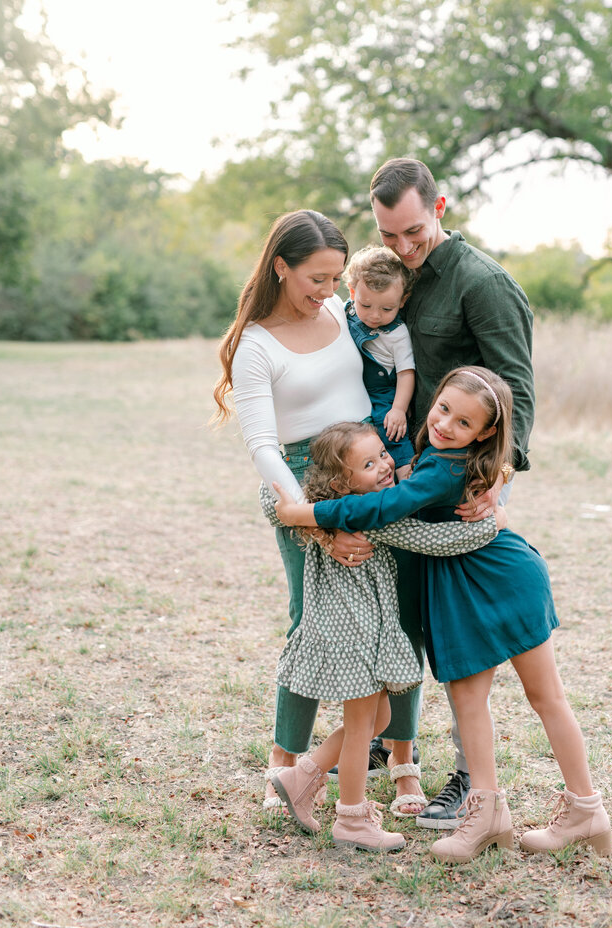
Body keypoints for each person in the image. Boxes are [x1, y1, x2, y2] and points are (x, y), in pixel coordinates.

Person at [274, 367, 612, 864]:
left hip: (491, 576)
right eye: (443, 408)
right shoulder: (441, 456)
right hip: (484, 577)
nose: (445, 424)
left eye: (463, 422)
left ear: (486, 433)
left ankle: (574, 811)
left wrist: (304, 516)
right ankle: (521, 812)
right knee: (485, 701)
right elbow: (401, 477)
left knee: (535, 698)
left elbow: (386, 506)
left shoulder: (443, 468)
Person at [212, 209, 424, 816]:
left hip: (372, 466)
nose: (329, 291)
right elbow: (261, 445)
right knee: (310, 621)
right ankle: (286, 761)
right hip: (307, 479)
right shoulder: (256, 345)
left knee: (400, 616)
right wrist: (314, 516)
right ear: (281, 266)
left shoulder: (341, 311)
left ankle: (403, 760)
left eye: (336, 278)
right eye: (317, 278)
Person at [369, 157, 536, 829]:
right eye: (389, 235)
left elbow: (517, 389)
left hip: (466, 486)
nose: (403, 246)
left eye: (413, 231)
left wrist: (500, 477)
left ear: (439, 208)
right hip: (411, 476)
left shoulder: (483, 283)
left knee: (462, 639)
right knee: (402, 617)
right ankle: (389, 741)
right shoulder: (392, 278)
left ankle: (471, 781)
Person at [265, 421, 503, 851]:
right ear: (341, 482)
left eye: (382, 454)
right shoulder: (373, 514)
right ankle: (351, 818)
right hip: (359, 637)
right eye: (369, 464)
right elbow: (436, 540)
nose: (385, 465)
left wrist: (298, 514)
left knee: (377, 721)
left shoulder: (319, 505)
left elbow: (275, 500)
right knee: (362, 730)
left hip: (346, 635)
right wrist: (492, 522)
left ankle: (301, 778)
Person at [344, 245, 417, 470]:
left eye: (387, 309)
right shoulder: (344, 313)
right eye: (366, 305)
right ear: (353, 292)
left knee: (393, 434)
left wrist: (399, 409)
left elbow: (406, 373)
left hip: (384, 395)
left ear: (402, 301)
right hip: (352, 390)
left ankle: (406, 478)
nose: (375, 316)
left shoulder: (397, 333)